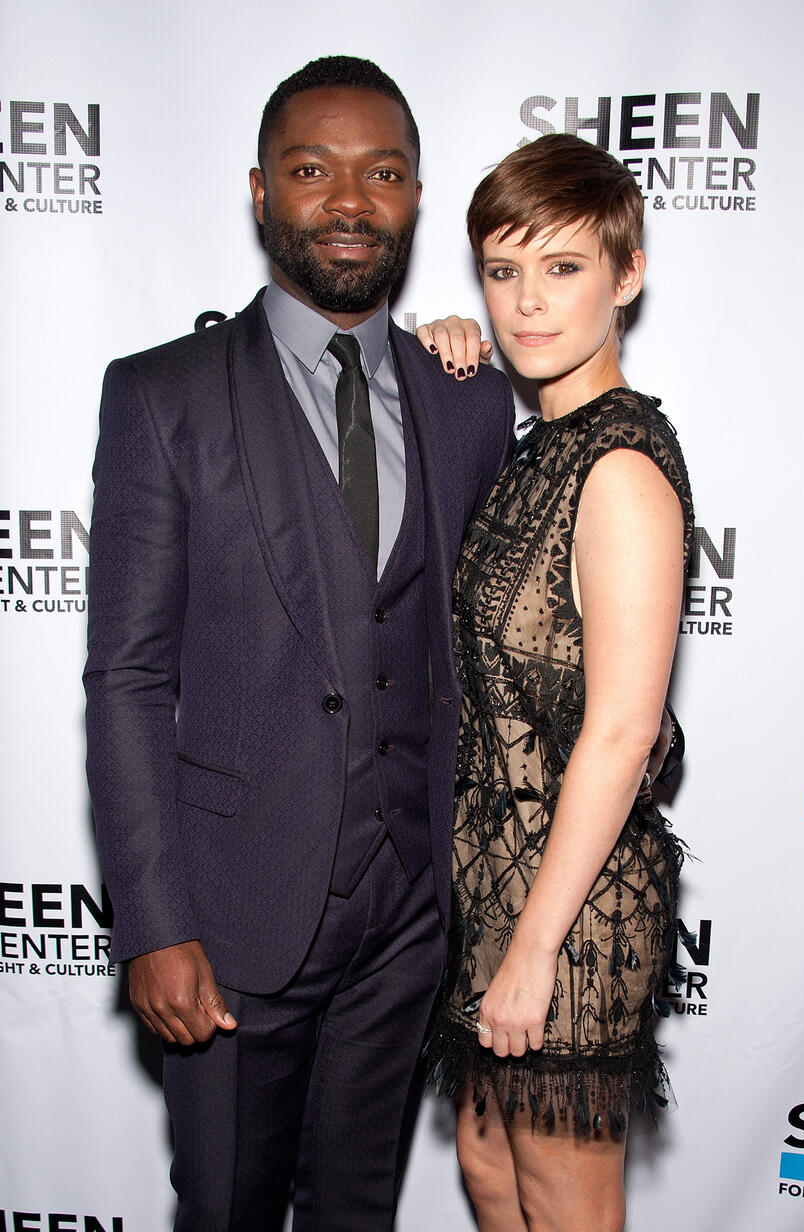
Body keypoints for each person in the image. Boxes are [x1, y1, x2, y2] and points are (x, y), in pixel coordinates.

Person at [83, 55, 514, 1231]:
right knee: (224, 1208)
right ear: (261, 191)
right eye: (311, 169)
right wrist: (155, 921)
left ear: (416, 199)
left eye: (381, 173)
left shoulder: (466, 394)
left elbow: (498, 625)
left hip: (407, 919)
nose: (347, 200)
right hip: (227, 924)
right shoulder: (162, 395)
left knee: (356, 1213)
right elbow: (125, 676)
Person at [418, 133, 695, 1232]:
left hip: (567, 905)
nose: (527, 303)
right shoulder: (540, 440)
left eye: (563, 267)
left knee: (564, 1202)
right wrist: (438, 351)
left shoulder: (618, 468)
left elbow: (624, 729)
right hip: (490, 882)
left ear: (625, 274)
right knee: (489, 1171)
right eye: (501, 270)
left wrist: (533, 949)